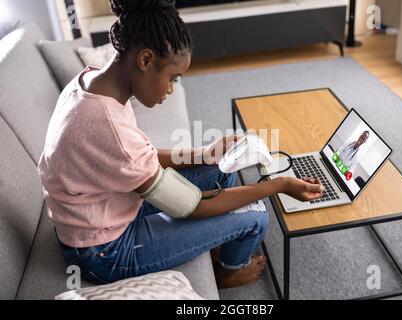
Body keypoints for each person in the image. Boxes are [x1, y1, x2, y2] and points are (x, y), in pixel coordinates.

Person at [37, 0, 324, 289]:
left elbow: (142, 159)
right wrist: (279, 185)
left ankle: (212, 242)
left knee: (221, 168)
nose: (170, 90)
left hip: (110, 203)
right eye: (172, 78)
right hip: (103, 251)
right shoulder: (109, 127)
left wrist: (206, 153)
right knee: (256, 214)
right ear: (146, 60)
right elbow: (191, 206)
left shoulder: (89, 83)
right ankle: (228, 271)